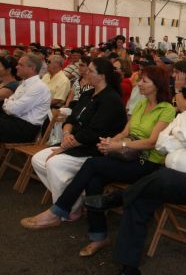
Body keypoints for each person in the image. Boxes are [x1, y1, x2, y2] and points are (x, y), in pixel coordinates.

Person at [82, 76, 186, 275]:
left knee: (161, 177)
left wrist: (179, 134)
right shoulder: (184, 117)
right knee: (139, 200)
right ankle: (128, 267)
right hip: (167, 180)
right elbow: (161, 144)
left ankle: (118, 198)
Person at [20, 65, 175, 257]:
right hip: (127, 156)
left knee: (93, 164)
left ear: (157, 85)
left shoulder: (167, 109)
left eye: (144, 81)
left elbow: (152, 142)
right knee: (94, 181)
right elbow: (125, 132)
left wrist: (120, 146)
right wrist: (110, 142)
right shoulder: (142, 104)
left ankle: (59, 210)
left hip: (147, 164)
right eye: (140, 79)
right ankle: (98, 236)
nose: (138, 83)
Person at [25, 58, 127, 218]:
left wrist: (64, 146)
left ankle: (66, 210)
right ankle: (75, 201)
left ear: (102, 76)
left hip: (95, 149)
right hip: (75, 142)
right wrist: (66, 134)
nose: (86, 72)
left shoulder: (111, 100)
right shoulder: (87, 94)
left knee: (54, 164)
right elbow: (71, 119)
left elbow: (95, 133)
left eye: (91, 70)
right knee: (38, 159)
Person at [0, 53, 51, 143]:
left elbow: (14, 109)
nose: (16, 67)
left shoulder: (38, 87)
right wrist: (9, 104)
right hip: (15, 122)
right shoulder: (24, 84)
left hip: (25, 129)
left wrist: (9, 103)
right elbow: (9, 105)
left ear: (32, 68)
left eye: (20, 65)